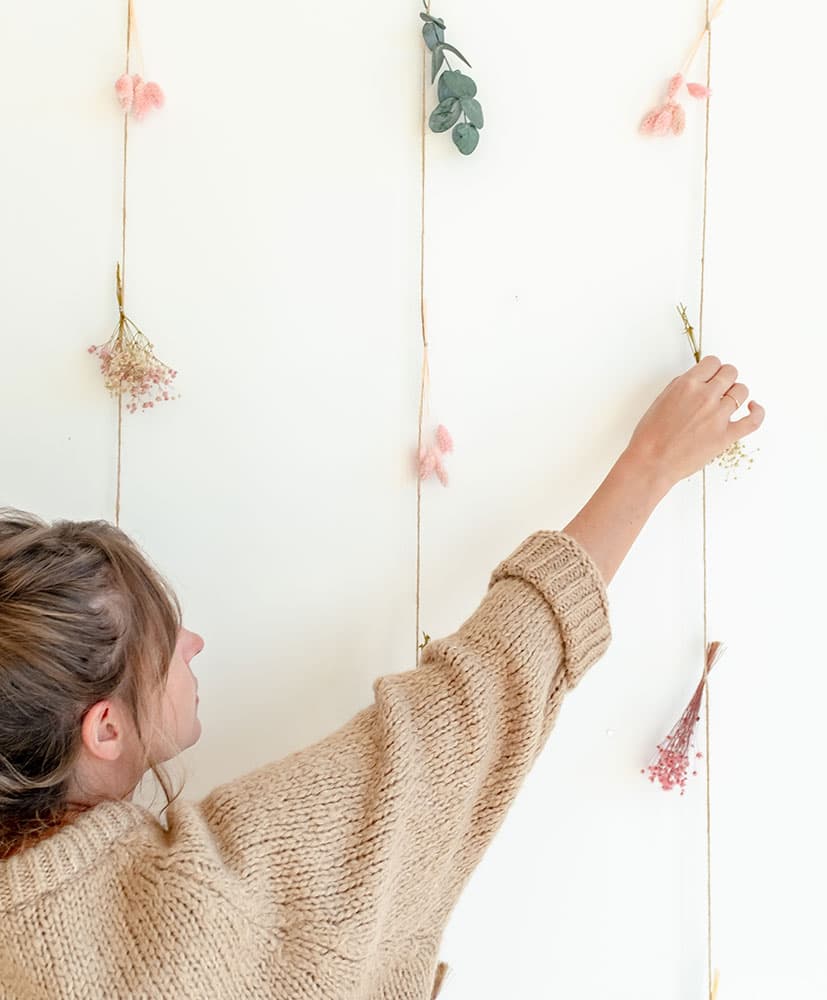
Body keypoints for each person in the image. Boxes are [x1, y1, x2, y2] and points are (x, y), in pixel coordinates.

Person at [0, 355, 764, 999]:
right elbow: (455, 717)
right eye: (167, 643)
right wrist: (648, 467)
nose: (193, 643)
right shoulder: (197, 910)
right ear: (104, 728)